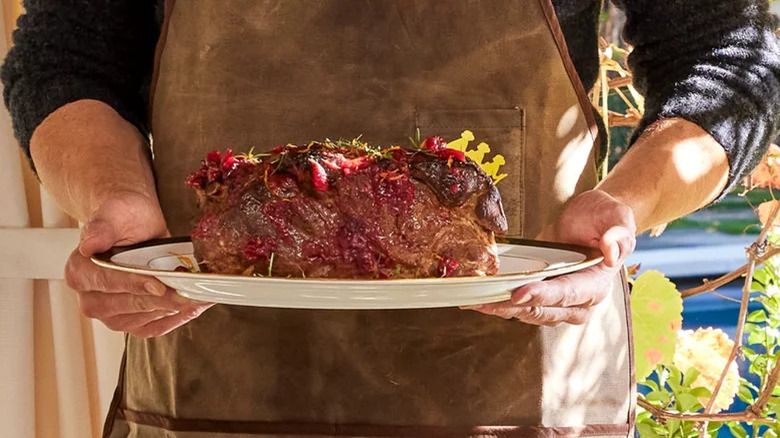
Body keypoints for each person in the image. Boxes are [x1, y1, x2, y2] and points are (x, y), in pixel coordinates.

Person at [3, 1, 778, 437]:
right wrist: (114, 201)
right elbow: (64, 59)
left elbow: (733, 61)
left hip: (524, 401)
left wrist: (624, 207)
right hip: (213, 400)